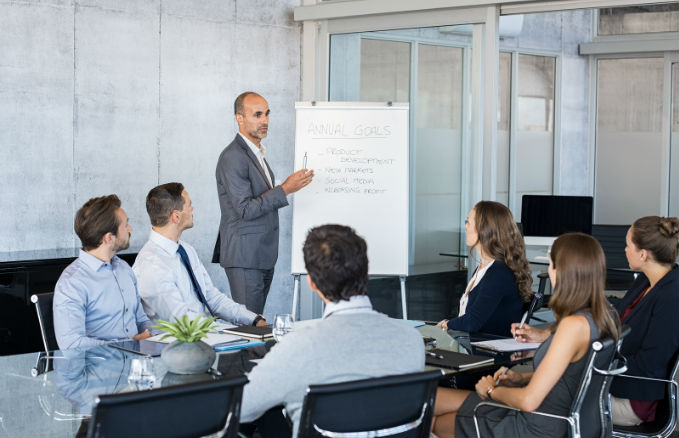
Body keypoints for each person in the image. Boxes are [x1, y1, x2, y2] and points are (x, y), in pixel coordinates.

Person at [240, 224, 425, 435]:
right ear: (366, 272)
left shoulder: (300, 346)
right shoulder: (411, 339)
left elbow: (242, 408)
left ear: (311, 282)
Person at [432, 233, 621, 438]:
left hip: (533, 425)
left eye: (550, 265)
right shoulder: (605, 314)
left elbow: (528, 401)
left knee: (435, 419)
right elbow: (574, 376)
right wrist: (521, 378)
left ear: (562, 271)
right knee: (433, 399)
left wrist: (490, 391)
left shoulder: (573, 326)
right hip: (553, 418)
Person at [515, 215, 679, 427]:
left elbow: (649, 366)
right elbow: (616, 308)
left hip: (632, 400)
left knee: (536, 398)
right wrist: (547, 333)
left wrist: (583, 367)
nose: (624, 250)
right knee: (534, 387)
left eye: (627, 245)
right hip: (615, 384)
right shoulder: (649, 283)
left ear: (643, 254)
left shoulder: (671, 298)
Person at [215, 91, 314, 314]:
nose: (265, 121)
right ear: (239, 118)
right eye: (257, 115)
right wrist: (285, 189)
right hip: (245, 256)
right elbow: (245, 209)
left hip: (260, 254)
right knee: (251, 327)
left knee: (256, 322)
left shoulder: (256, 153)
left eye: (267, 114)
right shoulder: (233, 157)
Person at [133, 183, 266, 327]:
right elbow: (183, 322)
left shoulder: (186, 250)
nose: (192, 209)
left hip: (205, 337)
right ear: (176, 217)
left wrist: (253, 319)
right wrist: (227, 331)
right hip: (179, 344)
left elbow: (211, 297)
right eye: (189, 205)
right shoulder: (151, 264)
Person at [53, 195, 153, 350]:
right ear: (108, 238)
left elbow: (141, 320)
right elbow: (72, 345)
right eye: (126, 224)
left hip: (136, 365)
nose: (130, 229)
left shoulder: (124, 268)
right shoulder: (72, 282)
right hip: (98, 370)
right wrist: (128, 345)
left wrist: (158, 337)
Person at [437, 201, 531, 337]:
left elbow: (472, 322)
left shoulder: (498, 272)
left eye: (468, 222)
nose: (465, 227)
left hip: (486, 352)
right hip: (472, 344)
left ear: (484, 230)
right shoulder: (485, 268)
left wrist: (447, 324)